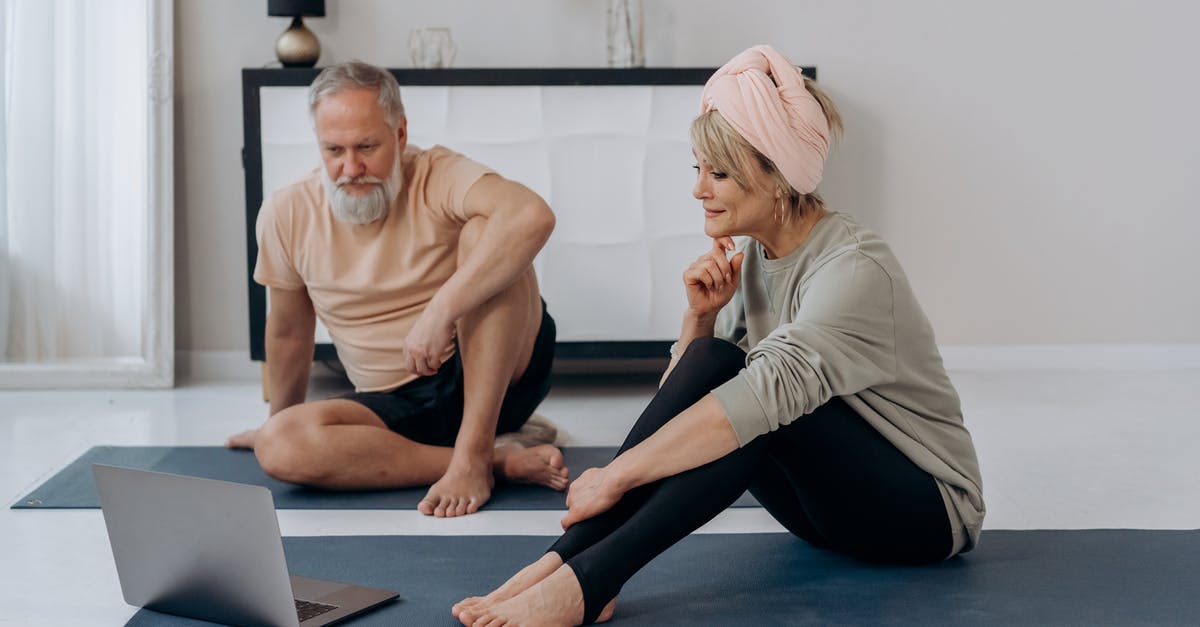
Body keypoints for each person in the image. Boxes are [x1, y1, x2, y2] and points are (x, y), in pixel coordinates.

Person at [451, 45, 986, 625]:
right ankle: (570, 568)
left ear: (777, 177)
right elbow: (688, 399)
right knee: (716, 361)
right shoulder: (756, 259)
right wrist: (698, 319)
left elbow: (753, 400)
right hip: (825, 514)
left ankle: (583, 580)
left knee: (751, 397)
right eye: (698, 169)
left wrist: (614, 475)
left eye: (720, 173)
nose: (699, 190)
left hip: (924, 514)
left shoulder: (854, 267)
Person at [225, 60, 569, 518]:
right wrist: (279, 422)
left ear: (400, 135)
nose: (351, 167)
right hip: (395, 407)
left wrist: (441, 310)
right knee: (280, 446)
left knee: (488, 229)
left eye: (367, 146)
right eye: (334, 150)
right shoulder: (286, 212)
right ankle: (496, 460)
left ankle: (473, 451)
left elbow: (532, 216)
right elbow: (289, 332)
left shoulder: (437, 173)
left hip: (495, 377)